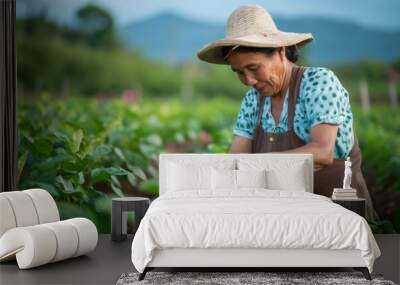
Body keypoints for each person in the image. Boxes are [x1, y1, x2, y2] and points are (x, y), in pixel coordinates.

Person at [197, 4, 378, 220]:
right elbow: (237, 159)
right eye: (239, 72)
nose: (248, 81)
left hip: (339, 215)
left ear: (280, 52)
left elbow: (322, 152)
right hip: (283, 217)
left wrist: (260, 163)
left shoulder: (318, 83)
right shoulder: (253, 100)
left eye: (254, 68)